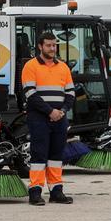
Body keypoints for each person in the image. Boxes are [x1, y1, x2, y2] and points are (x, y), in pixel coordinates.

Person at [22, 31, 75, 206]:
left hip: (59, 118)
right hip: (38, 117)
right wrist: (50, 111)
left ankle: (56, 191)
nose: (52, 48)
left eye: (54, 45)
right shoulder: (30, 66)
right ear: (40, 46)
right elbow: (31, 94)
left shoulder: (63, 67)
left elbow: (71, 93)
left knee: (56, 156)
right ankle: (35, 192)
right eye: (49, 45)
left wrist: (62, 110)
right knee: (38, 154)